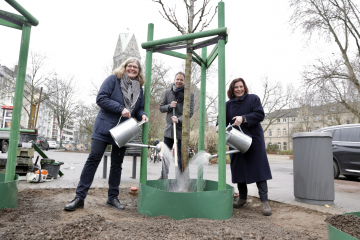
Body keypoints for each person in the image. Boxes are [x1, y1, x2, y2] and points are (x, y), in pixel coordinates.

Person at [64, 58, 148, 211]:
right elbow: (101, 98)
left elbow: (139, 108)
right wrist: (120, 108)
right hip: (104, 127)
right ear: (124, 67)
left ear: (139, 71)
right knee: (93, 160)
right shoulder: (112, 80)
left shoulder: (139, 89)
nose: (132, 69)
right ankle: (79, 198)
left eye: (136, 67)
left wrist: (142, 115)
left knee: (117, 165)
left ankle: (112, 198)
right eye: (130, 66)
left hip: (124, 130)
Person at [216, 78, 272, 216]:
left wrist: (244, 118)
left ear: (244, 87)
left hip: (254, 140)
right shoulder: (228, 104)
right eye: (236, 87)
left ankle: (264, 201)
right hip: (236, 140)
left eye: (241, 86)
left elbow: (260, 114)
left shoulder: (253, 99)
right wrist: (218, 125)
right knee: (238, 169)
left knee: (259, 170)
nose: (239, 89)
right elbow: (221, 117)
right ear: (232, 89)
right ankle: (242, 198)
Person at [159, 72, 194, 178]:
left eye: (181, 80)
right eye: (177, 79)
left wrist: (178, 120)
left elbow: (190, 112)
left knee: (180, 158)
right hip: (169, 130)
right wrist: (170, 106)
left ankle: (180, 180)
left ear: (185, 81)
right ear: (174, 80)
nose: (179, 81)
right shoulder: (167, 92)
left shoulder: (189, 94)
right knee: (165, 156)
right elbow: (161, 108)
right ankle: (163, 176)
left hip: (182, 131)